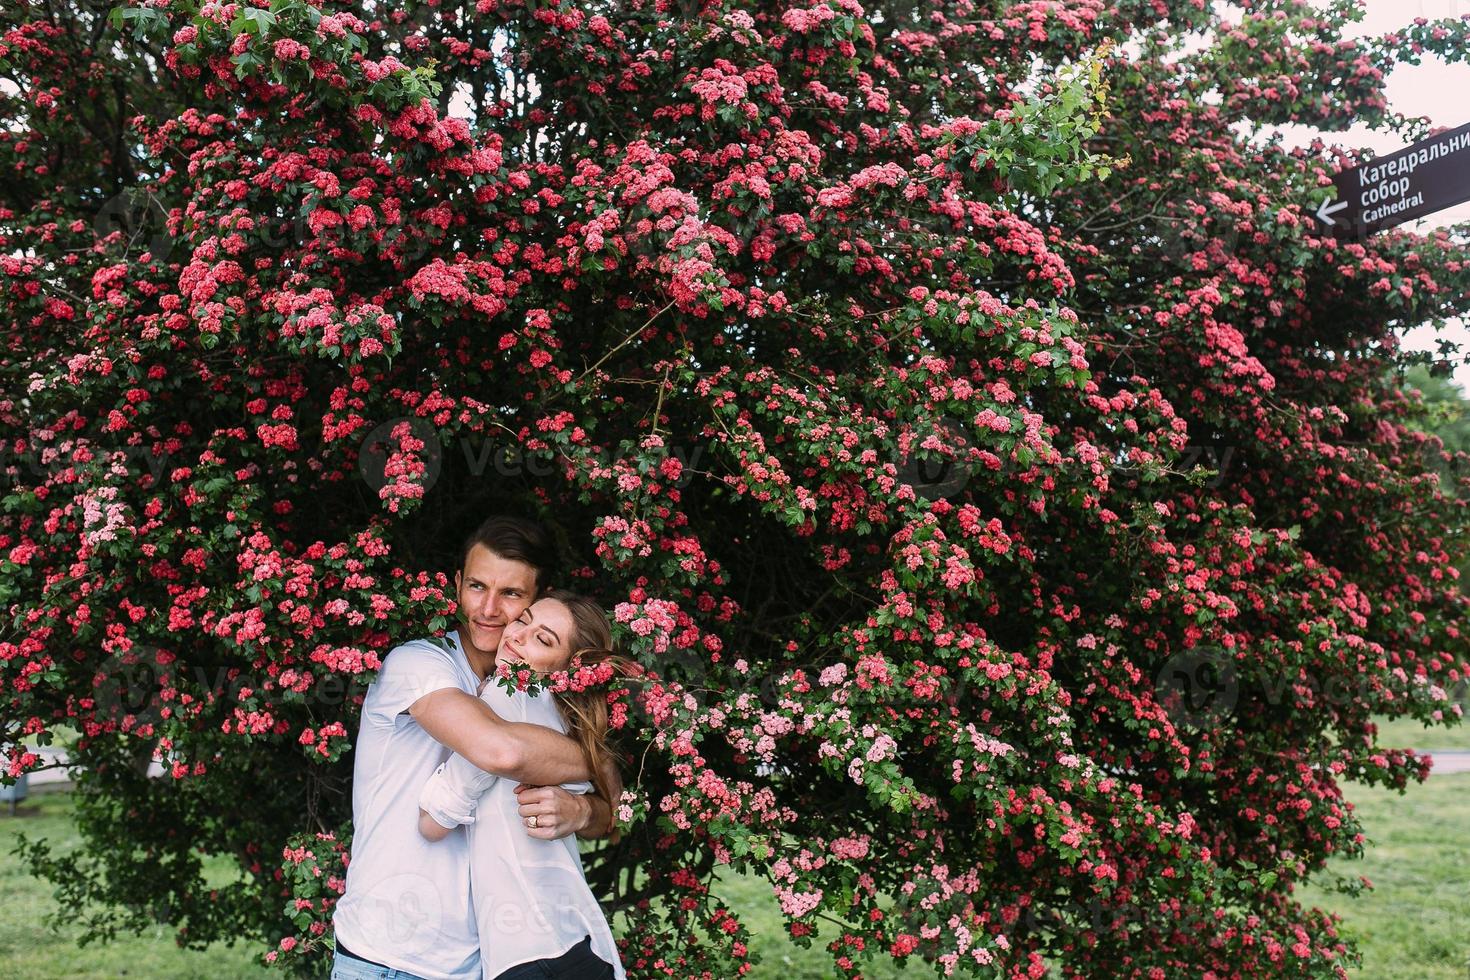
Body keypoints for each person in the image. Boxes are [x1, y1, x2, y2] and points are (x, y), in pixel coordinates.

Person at [332, 516, 618, 980]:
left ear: (538, 598)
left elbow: (610, 815)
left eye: (511, 594)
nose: (488, 609)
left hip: (486, 964)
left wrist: (582, 811)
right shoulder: (418, 664)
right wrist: (598, 756)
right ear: (458, 585)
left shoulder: (540, 701)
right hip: (389, 961)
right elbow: (499, 750)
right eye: (478, 586)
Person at [418, 590, 632, 980]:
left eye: (542, 639)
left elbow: (432, 824)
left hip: (532, 956)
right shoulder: (569, 721)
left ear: (569, 667)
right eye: (523, 620)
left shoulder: (506, 695)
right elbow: (614, 812)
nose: (517, 635)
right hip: (577, 944)